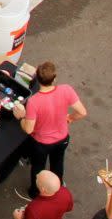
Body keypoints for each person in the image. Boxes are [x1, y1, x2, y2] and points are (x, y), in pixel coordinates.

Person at [15, 60, 85, 195]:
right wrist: (70, 118)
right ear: (54, 78)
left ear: (38, 80)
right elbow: (82, 112)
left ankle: (35, 192)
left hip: (41, 143)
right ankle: (56, 188)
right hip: (62, 139)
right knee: (58, 163)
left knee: (38, 167)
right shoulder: (66, 90)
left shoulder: (34, 101)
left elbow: (28, 129)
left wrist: (21, 117)